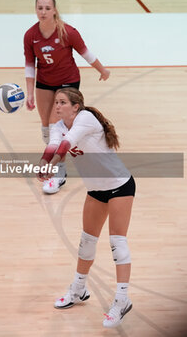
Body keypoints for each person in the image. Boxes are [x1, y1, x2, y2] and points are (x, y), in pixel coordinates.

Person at [37, 87, 136, 328]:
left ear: (75, 106)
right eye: (56, 102)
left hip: (119, 186)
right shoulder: (58, 126)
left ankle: (122, 299)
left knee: (117, 244)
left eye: (62, 102)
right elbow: (53, 146)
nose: (57, 106)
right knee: (86, 242)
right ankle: (78, 290)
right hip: (96, 190)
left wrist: (52, 162)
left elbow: (66, 145)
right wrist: (43, 164)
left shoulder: (85, 119)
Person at [24, 0, 110, 194]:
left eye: (47, 8)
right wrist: (29, 93)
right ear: (36, 10)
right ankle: (58, 162)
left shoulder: (67, 32)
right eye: (40, 8)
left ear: (54, 10)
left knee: (57, 126)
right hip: (44, 82)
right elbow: (29, 65)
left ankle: (58, 174)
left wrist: (102, 70)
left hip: (67, 82)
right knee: (46, 129)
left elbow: (85, 53)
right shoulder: (30, 35)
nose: (43, 12)